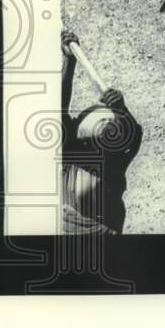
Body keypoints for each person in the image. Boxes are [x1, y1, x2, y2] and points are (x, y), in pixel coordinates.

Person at [60, 30, 143, 235]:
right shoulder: (71, 152)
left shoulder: (113, 163)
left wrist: (123, 111)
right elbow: (58, 108)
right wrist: (69, 61)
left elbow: (135, 136)